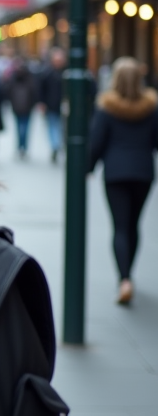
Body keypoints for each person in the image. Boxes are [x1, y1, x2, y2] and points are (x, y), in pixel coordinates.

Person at [88, 56, 158, 306]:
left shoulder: (107, 108)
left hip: (115, 173)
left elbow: (96, 142)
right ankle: (130, 275)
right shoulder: (151, 107)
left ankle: (124, 278)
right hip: (143, 172)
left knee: (120, 226)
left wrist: (88, 167)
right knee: (134, 224)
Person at [39, 47, 68, 163]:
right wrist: (42, 103)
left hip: (63, 106)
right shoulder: (47, 73)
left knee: (61, 127)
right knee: (53, 126)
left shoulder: (67, 73)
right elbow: (41, 89)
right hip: (51, 105)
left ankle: (57, 145)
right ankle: (55, 145)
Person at [6, 58, 38, 159]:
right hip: (26, 107)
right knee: (25, 127)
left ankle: (20, 146)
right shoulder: (30, 78)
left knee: (19, 127)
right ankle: (23, 147)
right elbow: (34, 91)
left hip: (18, 107)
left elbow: (8, 91)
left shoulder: (14, 78)